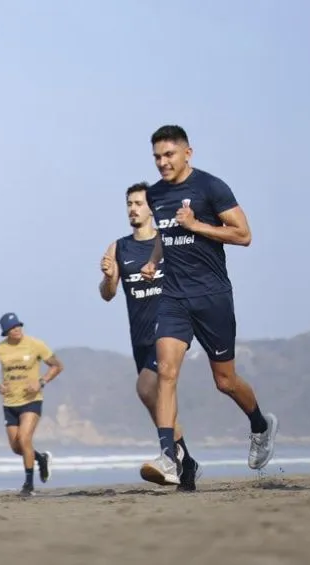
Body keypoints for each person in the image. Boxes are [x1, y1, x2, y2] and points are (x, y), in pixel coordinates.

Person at [139, 126, 279, 486]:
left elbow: (244, 235)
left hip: (212, 296)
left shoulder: (211, 187)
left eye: (169, 154)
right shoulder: (155, 194)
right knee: (166, 372)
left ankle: (260, 425)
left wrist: (197, 225)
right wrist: (153, 260)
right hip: (173, 297)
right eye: (157, 157)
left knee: (225, 381)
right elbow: (166, 234)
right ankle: (169, 457)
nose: (162, 162)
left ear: (188, 153)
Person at [99, 182, 201, 491]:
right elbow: (107, 294)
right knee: (157, 399)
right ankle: (186, 461)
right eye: (129, 204)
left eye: (139, 203)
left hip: (169, 330)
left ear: (152, 208)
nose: (133, 209)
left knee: (146, 387)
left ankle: (168, 457)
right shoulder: (118, 247)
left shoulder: (166, 241)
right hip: (140, 338)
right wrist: (108, 277)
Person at [0, 313, 62, 496]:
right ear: (6, 332)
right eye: (12, 327)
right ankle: (41, 458)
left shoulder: (35, 344)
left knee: (25, 439)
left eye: (18, 325)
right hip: (10, 403)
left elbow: (57, 365)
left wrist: (41, 382)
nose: (17, 329)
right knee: (16, 447)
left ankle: (28, 485)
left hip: (31, 401)